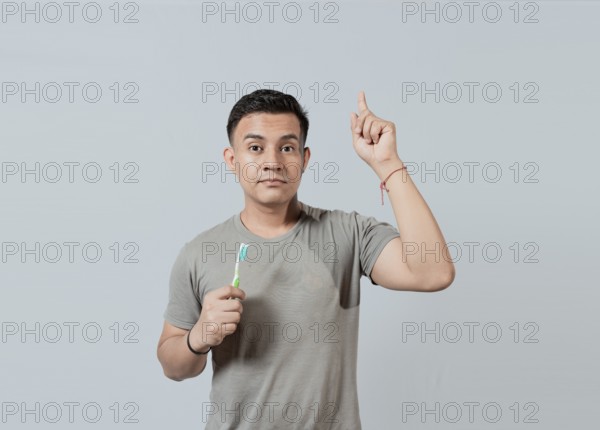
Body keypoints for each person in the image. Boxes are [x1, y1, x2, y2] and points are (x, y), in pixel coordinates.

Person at [156, 89, 455, 429]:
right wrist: (199, 336)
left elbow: (434, 273)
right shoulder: (199, 253)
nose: (272, 161)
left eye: (287, 147)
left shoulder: (348, 234)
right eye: (255, 148)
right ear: (231, 159)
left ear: (305, 157)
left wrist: (388, 164)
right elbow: (173, 367)